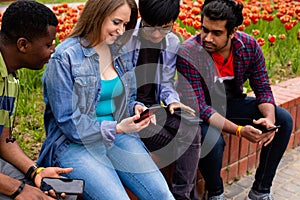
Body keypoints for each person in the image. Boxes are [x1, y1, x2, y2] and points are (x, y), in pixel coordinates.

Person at [36, 0, 175, 199]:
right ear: (97, 15)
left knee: (162, 195)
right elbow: (69, 123)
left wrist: (136, 108)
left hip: (119, 138)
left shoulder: (120, 52)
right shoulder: (65, 57)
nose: (121, 31)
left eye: (126, 25)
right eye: (116, 22)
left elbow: (128, 100)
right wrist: (117, 128)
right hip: (75, 144)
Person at [176, 0, 293, 199]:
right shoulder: (189, 52)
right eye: (205, 30)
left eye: (217, 33)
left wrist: (269, 120)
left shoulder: (248, 46)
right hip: (198, 112)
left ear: (232, 32)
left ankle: (261, 191)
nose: (208, 38)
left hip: (232, 103)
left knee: (283, 120)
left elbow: (263, 88)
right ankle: (215, 193)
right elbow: (201, 107)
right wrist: (239, 130)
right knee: (212, 139)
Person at [125, 0, 201, 199]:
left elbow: (166, 82)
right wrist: (138, 107)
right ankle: (187, 195)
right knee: (181, 144)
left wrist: (172, 101)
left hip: (154, 107)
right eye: (151, 28)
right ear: (142, 17)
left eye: (165, 28)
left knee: (192, 128)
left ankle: (181, 194)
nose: (157, 35)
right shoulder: (126, 38)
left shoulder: (172, 41)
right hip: (129, 110)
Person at [0, 1, 74, 199]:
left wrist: (36, 172)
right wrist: (19, 190)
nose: (53, 51)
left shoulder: (9, 75)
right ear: (23, 44)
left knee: (54, 193)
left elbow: (3, 140)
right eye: (49, 45)